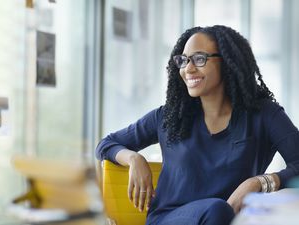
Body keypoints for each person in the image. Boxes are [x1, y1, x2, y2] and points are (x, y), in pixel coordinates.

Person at [95, 25, 299, 225]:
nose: (188, 69)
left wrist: (259, 183)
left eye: (199, 59)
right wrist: (134, 158)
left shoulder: (264, 115)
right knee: (217, 209)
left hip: (232, 220)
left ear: (228, 63)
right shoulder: (170, 116)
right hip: (168, 219)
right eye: (183, 60)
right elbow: (106, 144)